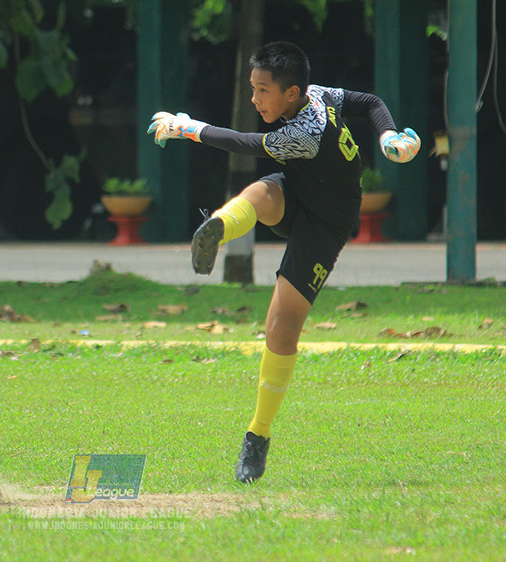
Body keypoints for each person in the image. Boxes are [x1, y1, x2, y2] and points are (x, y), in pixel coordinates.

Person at [147, 41, 420, 484]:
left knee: (281, 329)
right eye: (251, 88)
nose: (254, 99)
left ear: (291, 93)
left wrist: (188, 127)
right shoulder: (316, 94)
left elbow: (244, 142)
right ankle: (215, 228)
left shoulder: (304, 131)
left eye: (261, 91)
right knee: (260, 193)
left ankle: (258, 435)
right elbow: (369, 101)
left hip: (325, 224)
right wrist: (388, 134)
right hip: (294, 191)